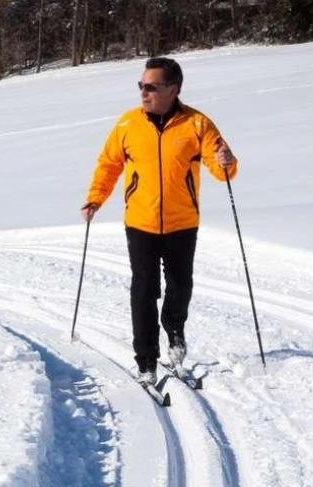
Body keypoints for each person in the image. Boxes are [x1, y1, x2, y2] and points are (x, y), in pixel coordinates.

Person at [80, 56, 237, 386]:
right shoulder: (127, 124)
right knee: (144, 289)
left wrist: (226, 160)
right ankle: (146, 360)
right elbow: (108, 165)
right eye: (141, 85)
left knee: (180, 287)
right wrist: (95, 198)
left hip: (183, 222)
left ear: (173, 89)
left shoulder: (197, 124)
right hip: (141, 222)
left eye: (151, 86)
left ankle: (175, 331)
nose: (143, 92)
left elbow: (221, 167)